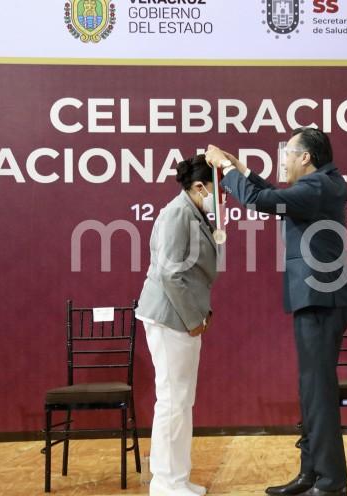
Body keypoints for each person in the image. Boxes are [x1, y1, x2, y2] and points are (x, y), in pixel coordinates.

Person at [205, 127, 347, 496]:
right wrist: (240, 170)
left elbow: (263, 201)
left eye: (288, 153)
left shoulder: (319, 187)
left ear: (306, 157)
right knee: (310, 390)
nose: (283, 160)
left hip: (322, 301)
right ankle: (311, 473)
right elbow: (270, 193)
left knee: (317, 391)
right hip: (315, 300)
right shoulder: (319, 187)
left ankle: (332, 481)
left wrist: (226, 171)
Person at [136, 154, 220, 496]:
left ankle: (178, 478)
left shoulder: (192, 211)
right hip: (172, 318)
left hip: (181, 317)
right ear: (199, 186)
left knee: (181, 400)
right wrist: (193, 319)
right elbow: (171, 272)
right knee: (172, 400)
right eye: (219, 190)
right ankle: (165, 483)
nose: (223, 197)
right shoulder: (177, 213)